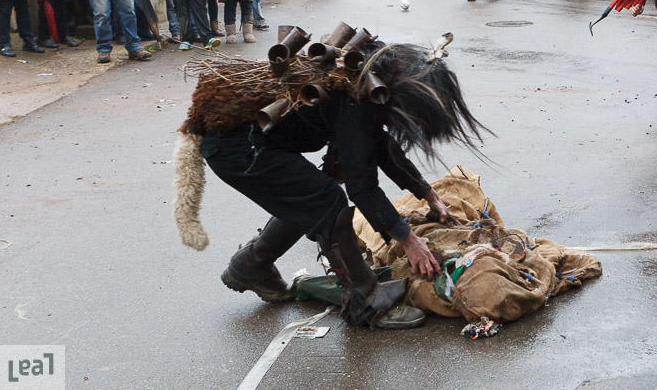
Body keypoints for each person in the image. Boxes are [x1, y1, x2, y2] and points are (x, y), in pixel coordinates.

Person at [173, 38, 487, 329]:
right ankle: (366, 303)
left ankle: (250, 266)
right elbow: (361, 187)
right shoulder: (358, 102)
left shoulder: (369, 82)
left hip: (247, 143)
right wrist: (408, 240)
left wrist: (426, 192)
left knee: (309, 199)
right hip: (236, 147)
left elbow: (380, 147)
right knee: (328, 203)